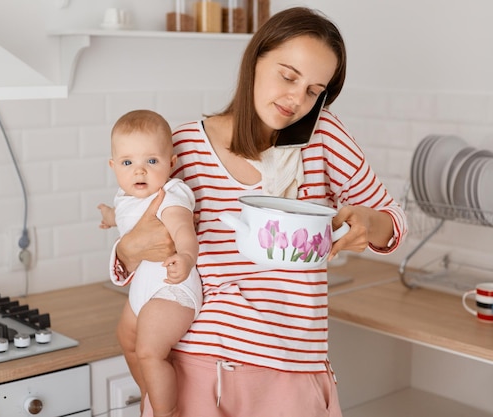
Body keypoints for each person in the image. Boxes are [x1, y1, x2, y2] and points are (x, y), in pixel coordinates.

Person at [109, 7, 407, 417]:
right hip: (194, 370)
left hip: (289, 374)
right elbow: (133, 245)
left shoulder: (323, 138)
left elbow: (392, 218)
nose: (296, 100)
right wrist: (126, 251)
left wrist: (370, 224)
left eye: (314, 90)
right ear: (255, 59)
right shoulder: (180, 147)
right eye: (288, 76)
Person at [98, 109, 203, 417]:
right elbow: (124, 216)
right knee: (127, 340)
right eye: (128, 163)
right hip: (144, 291)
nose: (139, 172)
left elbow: (184, 230)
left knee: (150, 351)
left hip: (172, 289)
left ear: (171, 164)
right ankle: (150, 393)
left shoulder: (171, 194)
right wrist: (108, 215)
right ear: (114, 166)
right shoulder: (127, 196)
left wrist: (185, 257)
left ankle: (165, 411)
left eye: (151, 162)